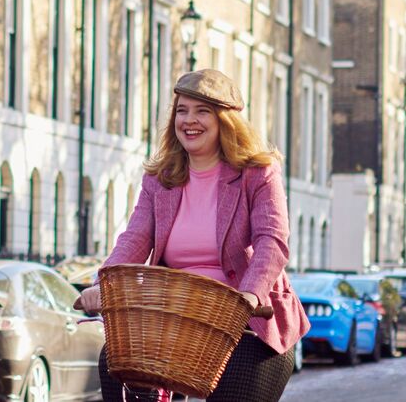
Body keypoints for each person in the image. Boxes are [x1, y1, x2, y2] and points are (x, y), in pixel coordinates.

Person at [75, 69, 307, 402]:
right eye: (182, 110)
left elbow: (273, 239)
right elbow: (135, 237)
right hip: (178, 321)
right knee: (114, 363)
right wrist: (103, 285)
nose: (189, 120)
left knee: (240, 384)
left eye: (202, 111)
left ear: (225, 120)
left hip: (247, 323)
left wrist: (250, 296)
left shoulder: (257, 173)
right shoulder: (161, 178)